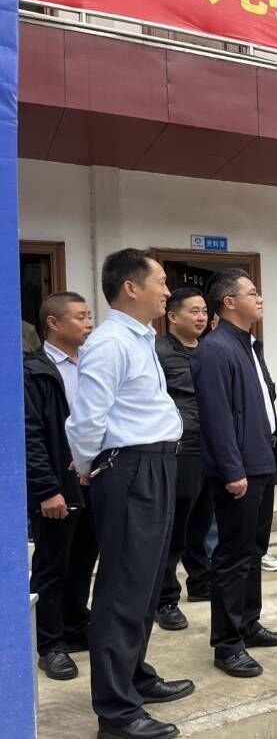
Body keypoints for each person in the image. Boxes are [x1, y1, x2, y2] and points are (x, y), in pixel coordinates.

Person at [66, 249, 194, 739]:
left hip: (156, 465)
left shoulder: (139, 338)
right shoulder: (109, 343)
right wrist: (88, 467)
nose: (167, 291)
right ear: (131, 287)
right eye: (160, 282)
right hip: (131, 468)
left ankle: (135, 676)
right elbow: (86, 420)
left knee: (145, 583)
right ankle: (117, 713)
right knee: (122, 588)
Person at [191, 269, 277, 679]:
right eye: (252, 292)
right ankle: (228, 643)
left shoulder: (249, 344)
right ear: (229, 302)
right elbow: (216, 417)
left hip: (261, 461)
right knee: (232, 557)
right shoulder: (215, 349)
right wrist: (232, 470)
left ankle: (249, 624)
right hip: (239, 470)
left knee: (253, 551)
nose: (260, 297)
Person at [24, 292, 97, 681]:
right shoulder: (34, 371)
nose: (89, 323)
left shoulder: (91, 364)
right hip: (57, 484)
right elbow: (30, 436)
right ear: (53, 323)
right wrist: (46, 489)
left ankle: (74, 626)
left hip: (93, 481)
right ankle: (49, 644)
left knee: (83, 559)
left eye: (89, 316)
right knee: (52, 564)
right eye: (80, 317)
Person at [153, 288, 209, 631]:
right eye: (193, 311)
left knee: (202, 522)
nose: (201, 317)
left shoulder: (211, 349)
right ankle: (165, 599)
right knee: (175, 526)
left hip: (211, 445)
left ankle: (201, 582)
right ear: (173, 316)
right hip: (179, 447)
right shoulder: (158, 352)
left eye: (204, 311)